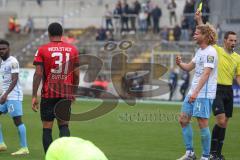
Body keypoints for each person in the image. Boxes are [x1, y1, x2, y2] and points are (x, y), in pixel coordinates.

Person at [195, 10, 240, 160]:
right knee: (220, 120)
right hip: (217, 89)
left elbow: (238, 77)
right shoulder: (217, 50)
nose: (233, 42)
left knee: (224, 123)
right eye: (231, 40)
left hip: (228, 91)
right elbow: (206, 34)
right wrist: (199, 20)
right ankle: (212, 153)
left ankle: (218, 154)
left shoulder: (238, 58)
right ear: (225, 41)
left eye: (235, 40)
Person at [32, 22, 80, 153]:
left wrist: (33, 96)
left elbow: (38, 74)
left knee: (47, 128)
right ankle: (64, 155)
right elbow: (76, 74)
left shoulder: (42, 49)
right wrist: (74, 92)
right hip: (65, 94)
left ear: (49, 34)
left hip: (48, 94)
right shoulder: (73, 49)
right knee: (64, 125)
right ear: (62, 33)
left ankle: (49, 156)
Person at [176, 23, 218, 160]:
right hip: (193, 92)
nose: (194, 34)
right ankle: (190, 153)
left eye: (197, 33)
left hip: (203, 94)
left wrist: (196, 92)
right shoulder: (199, 51)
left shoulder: (211, 52)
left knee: (202, 123)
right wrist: (180, 64)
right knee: (183, 120)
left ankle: (206, 157)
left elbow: (206, 74)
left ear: (205, 36)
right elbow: (189, 67)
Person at [0, 40, 29, 155]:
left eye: (4, 48)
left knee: (17, 121)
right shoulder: (2, 63)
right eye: (0, 49)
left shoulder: (13, 62)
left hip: (13, 96)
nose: (1, 50)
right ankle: (1, 144)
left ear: (9, 49)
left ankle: (24, 148)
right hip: (5, 96)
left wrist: (6, 94)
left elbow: (15, 79)